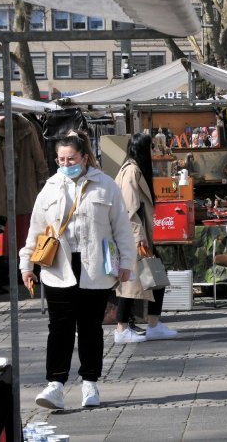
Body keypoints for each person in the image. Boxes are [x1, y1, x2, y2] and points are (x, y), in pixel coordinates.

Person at [20, 132, 136, 410]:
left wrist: (127, 263)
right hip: (58, 267)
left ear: (84, 157)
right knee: (59, 327)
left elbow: (122, 228)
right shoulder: (49, 188)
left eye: (71, 158)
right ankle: (55, 385)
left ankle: (90, 384)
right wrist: (27, 265)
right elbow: (36, 231)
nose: (66, 163)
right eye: (61, 159)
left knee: (89, 328)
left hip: (95, 267)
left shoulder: (105, 186)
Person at [114, 133, 178, 344]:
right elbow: (130, 209)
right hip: (134, 236)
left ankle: (153, 324)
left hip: (139, 236)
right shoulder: (131, 170)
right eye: (151, 148)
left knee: (156, 277)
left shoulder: (134, 169)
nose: (154, 152)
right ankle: (122, 328)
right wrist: (139, 237)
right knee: (130, 283)